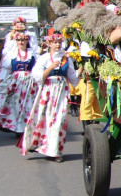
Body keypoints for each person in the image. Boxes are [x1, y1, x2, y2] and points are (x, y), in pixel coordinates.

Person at [21, 31, 80, 162]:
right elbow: (37, 77)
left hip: (62, 91)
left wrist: (81, 68)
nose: (58, 45)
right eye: (55, 42)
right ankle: (40, 145)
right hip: (48, 91)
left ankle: (56, 151)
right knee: (45, 120)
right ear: (49, 44)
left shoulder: (66, 59)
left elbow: (73, 78)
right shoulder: (44, 58)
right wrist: (50, 68)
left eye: (59, 42)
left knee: (60, 121)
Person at [0, 30, 39, 135]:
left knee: (29, 105)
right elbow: (6, 70)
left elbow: (37, 69)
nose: (21, 42)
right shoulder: (12, 54)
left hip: (30, 82)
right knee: (16, 105)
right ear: (16, 41)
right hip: (16, 82)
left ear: (27, 41)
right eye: (19, 40)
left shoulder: (33, 54)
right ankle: (17, 128)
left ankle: (25, 127)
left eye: (23, 40)